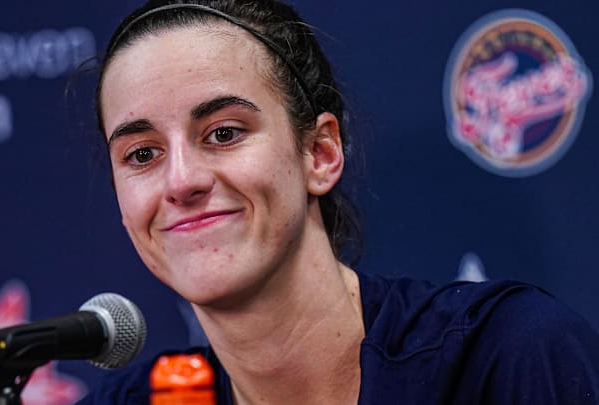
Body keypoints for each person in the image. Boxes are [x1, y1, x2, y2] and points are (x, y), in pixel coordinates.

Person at [77, 1, 599, 403]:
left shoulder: (505, 358)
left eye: (223, 133)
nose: (181, 180)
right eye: (142, 153)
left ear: (320, 153)